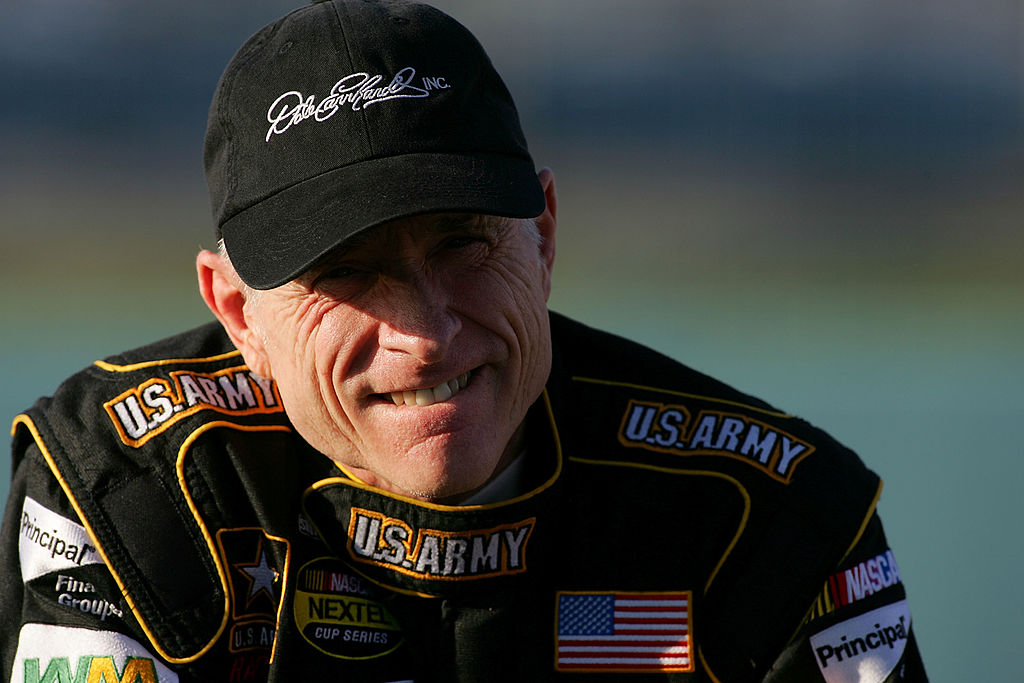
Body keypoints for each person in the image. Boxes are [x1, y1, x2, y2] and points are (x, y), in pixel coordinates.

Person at [0, 1, 927, 681]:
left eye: (462, 243)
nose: (427, 333)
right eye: (348, 273)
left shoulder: (777, 518)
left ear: (546, 238)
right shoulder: (126, 484)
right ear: (241, 314)